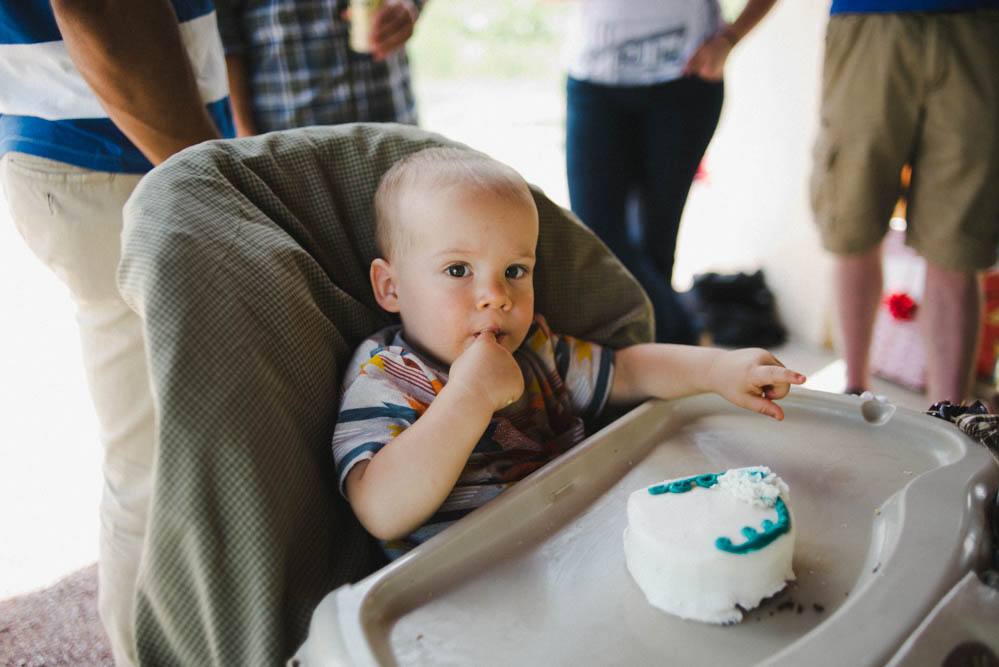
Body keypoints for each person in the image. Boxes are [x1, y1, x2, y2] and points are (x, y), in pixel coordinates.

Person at [331, 146, 805, 554]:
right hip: (462, 593)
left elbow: (629, 370)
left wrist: (719, 368)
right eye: (458, 270)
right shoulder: (387, 377)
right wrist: (469, 397)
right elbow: (379, 509)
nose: (496, 295)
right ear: (390, 288)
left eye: (515, 270)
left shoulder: (537, 352)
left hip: (578, 545)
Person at [0, 1, 234, 663]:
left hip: (106, 149)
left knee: (165, 455)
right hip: (118, 151)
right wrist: (208, 178)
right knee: (158, 469)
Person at [810, 1, 999, 403]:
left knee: (958, 245)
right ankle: (853, 394)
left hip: (980, 20)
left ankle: (949, 417)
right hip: (869, 18)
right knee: (853, 223)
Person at [561, 0, 777, 344]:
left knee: (656, 240)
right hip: (596, 84)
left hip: (685, 84)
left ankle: (656, 357)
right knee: (595, 235)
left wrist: (730, 38)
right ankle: (685, 340)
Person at [215, 0, 423, 137]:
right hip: (290, 136)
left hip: (392, 122)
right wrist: (245, 139)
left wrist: (409, 4)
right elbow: (223, 37)